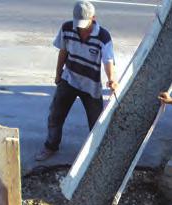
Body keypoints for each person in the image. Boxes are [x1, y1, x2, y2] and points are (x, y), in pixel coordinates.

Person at [36, 0, 118, 161]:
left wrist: (112, 79)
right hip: (69, 80)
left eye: (84, 23)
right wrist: (58, 74)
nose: (80, 27)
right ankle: (51, 146)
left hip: (91, 86)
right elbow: (63, 51)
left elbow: (108, 61)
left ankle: (96, 154)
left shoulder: (103, 36)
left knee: (96, 124)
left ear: (93, 18)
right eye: (78, 23)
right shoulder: (67, 28)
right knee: (55, 115)